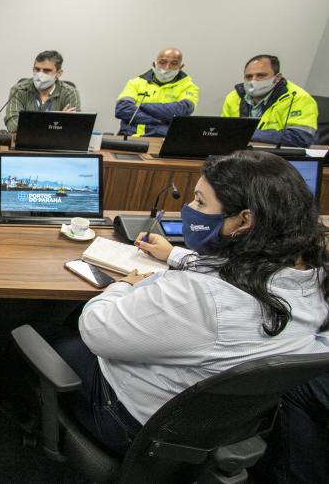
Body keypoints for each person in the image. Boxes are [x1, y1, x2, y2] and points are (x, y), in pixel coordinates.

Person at [42, 150, 329, 457]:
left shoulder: (199, 297)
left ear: (244, 220)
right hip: (205, 428)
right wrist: (174, 255)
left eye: (200, 202)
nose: (189, 209)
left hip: (128, 422)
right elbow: (236, 272)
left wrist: (123, 285)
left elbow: (96, 330)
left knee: (44, 333)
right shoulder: (312, 279)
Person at [220, 54, 319, 147]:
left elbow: (300, 137)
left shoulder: (298, 98)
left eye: (261, 75)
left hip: (280, 159)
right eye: (249, 76)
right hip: (241, 156)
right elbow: (223, 131)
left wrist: (245, 133)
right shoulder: (234, 97)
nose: (253, 80)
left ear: (277, 77)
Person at [114, 48, 198, 137]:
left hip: (164, 140)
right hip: (132, 137)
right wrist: (159, 121)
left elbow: (181, 111)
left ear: (181, 67)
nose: (167, 67)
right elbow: (122, 109)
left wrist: (142, 106)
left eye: (174, 63)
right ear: (154, 63)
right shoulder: (135, 83)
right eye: (162, 62)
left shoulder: (189, 87)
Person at [4, 50, 82, 133]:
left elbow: (74, 129)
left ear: (58, 73)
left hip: (58, 145)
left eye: (46, 70)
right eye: (37, 69)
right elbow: (13, 126)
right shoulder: (18, 90)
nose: (40, 75)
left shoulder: (70, 93)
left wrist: (28, 123)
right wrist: (58, 120)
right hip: (26, 144)